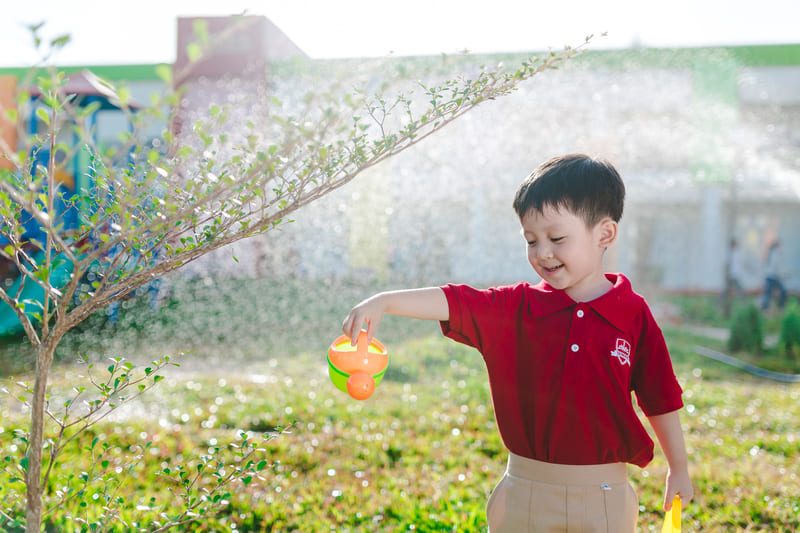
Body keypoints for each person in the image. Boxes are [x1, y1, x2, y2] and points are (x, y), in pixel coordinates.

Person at [342, 154, 693, 532]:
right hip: (525, 490)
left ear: (604, 234)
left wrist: (679, 468)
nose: (542, 252)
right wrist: (384, 301)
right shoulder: (515, 308)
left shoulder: (633, 314)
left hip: (605, 494)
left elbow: (660, 398)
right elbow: (455, 299)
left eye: (557, 238)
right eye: (531, 240)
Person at [761, 239, 787, 311]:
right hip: (773, 277)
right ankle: (780, 307)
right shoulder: (775, 253)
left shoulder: (771, 253)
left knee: (768, 293)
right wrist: (782, 276)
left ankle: (766, 308)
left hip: (770, 276)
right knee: (782, 291)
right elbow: (776, 267)